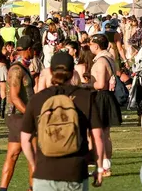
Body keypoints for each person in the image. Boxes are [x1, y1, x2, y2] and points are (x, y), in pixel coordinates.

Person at [20, 51, 96, 191]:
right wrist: (100, 164)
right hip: (75, 171)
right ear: (73, 72)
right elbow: (98, 136)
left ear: (50, 71)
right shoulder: (85, 97)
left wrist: (34, 163)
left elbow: (25, 139)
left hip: (44, 172)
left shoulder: (38, 99)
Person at [0, 26, 39, 191]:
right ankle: (33, 188)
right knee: (34, 155)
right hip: (19, 117)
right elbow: (14, 98)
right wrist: (30, 114)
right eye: (33, 50)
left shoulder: (23, 67)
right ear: (28, 50)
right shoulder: (16, 69)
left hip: (19, 117)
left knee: (14, 154)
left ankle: (3, 189)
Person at [89, 33, 121, 180]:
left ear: (96, 45)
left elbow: (101, 84)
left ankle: (104, 166)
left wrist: (86, 85)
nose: (89, 46)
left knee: (101, 134)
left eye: (90, 44)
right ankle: (104, 165)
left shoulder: (101, 62)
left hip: (101, 97)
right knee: (105, 134)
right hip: (106, 97)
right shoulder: (109, 58)